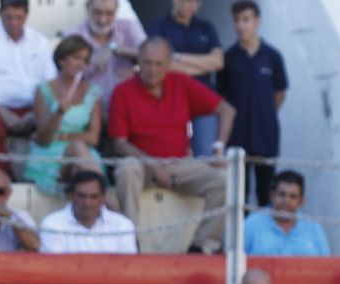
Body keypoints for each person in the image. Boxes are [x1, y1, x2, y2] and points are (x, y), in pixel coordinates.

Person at [109, 37, 235, 253]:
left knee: (224, 181)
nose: (152, 69)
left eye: (159, 64)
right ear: (138, 60)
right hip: (142, 165)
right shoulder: (123, 91)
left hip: (180, 165)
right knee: (128, 168)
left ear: (168, 64)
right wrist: (151, 163)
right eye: (147, 62)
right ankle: (130, 240)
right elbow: (118, 143)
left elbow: (227, 110)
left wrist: (218, 149)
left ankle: (202, 246)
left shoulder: (181, 82)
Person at [0, 0, 56, 176]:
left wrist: (36, 112)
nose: (14, 22)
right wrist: (4, 113)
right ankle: (3, 176)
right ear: (0, 14)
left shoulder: (40, 42)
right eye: (9, 17)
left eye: (18, 17)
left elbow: (51, 84)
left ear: (26, 16)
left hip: (34, 107)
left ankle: (45, 175)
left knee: (58, 119)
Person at [218, 1, 286, 207]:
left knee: (266, 192)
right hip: (237, 137)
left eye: (246, 19)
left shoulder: (272, 56)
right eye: (237, 20)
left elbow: (280, 92)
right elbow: (221, 98)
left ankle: (264, 238)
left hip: (266, 136)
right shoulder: (228, 58)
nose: (241, 25)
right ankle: (241, 238)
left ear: (257, 21)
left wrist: (265, 115)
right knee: (239, 195)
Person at [25, 36, 103, 196]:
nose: (80, 64)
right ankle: (109, 206)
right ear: (62, 60)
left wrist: (61, 137)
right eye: (76, 58)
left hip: (82, 154)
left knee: (78, 161)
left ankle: (99, 206)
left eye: (85, 60)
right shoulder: (43, 90)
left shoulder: (92, 92)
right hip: (50, 154)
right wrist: (58, 113)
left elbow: (93, 138)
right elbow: (44, 139)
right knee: (78, 149)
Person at [146, 0, 223, 158]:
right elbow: (164, 65)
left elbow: (218, 62)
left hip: (203, 102)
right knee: (169, 158)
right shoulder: (159, 26)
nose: (192, 6)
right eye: (188, 1)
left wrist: (178, 57)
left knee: (206, 158)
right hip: (170, 102)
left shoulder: (206, 27)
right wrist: (203, 64)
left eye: (197, 2)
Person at [66, 0, 146, 111]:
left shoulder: (128, 27)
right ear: (88, 8)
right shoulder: (73, 35)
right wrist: (91, 62)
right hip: (89, 111)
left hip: (128, 108)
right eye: (97, 13)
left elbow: (150, 55)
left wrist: (116, 49)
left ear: (117, 9)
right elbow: (66, 77)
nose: (103, 20)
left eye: (109, 14)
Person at [39, 169, 139, 254]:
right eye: (81, 196)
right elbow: (55, 268)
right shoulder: (52, 224)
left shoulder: (122, 225)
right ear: (71, 195)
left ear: (103, 197)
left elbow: (127, 266)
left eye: (93, 197)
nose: (87, 202)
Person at [242, 170, 330, 255]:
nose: (286, 201)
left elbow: (327, 265)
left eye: (293, 197)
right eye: (282, 194)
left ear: (301, 201)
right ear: (272, 196)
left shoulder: (313, 227)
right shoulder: (252, 223)